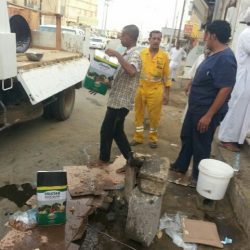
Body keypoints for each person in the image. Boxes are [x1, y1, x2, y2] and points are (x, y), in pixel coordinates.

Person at [170, 20, 237, 187]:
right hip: (195, 108)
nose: (205, 38)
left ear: (213, 36)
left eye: (206, 35)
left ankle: (199, 178)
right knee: (187, 137)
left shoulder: (226, 59)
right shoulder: (213, 54)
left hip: (206, 110)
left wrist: (208, 116)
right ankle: (181, 165)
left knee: (201, 144)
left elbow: (225, 89)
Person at [94, 24, 143, 168]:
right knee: (116, 132)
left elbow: (132, 71)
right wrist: (99, 84)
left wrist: (116, 54)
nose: (121, 38)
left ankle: (103, 160)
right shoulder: (128, 54)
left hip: (122, 102)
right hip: (116, 100)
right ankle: (132, 160)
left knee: (107, 130)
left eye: (122, 35)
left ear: (129, 37)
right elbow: (117, 81)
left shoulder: (135, 54)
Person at [130, 30, 171, 148]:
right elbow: (134, 71)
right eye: (154, 38)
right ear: (149, 40)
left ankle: (153, 139)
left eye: (158, 39)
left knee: (155, 116)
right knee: (138, 113)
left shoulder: (164, 56)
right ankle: (138, 137)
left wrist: (166, 94)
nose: (156, 41)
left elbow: (167, 76)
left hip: (156, 90)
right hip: (141, 88)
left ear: (160, 40)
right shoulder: (141, 53)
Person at [218, 8, 250, 152]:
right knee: (236, 109)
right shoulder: (247, 33)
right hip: (243, 78)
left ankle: (236, 138)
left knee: (243, 111)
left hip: (247, 80)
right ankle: (226, 138)